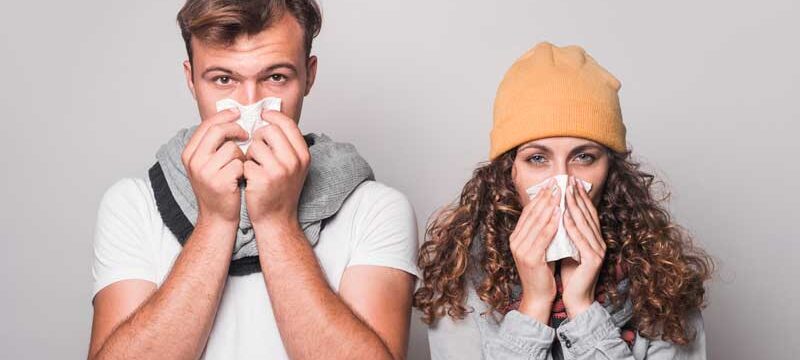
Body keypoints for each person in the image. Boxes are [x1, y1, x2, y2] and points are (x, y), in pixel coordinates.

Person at [87, 1, 418, 359]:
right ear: (191, 80)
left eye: (275, 77)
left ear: (309, 76)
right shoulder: (134, 205)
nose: (250, 108)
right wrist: (215, 221)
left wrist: (277, 222)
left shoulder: (375, 210)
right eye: (223, 80)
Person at [414, 42, 714, 359]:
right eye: (537, 158)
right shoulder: (460, 283)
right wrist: (534, 305)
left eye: (583, 156)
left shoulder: (661, 282)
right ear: (508, 172)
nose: (563, 180)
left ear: (611, 170)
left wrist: (583, 308)